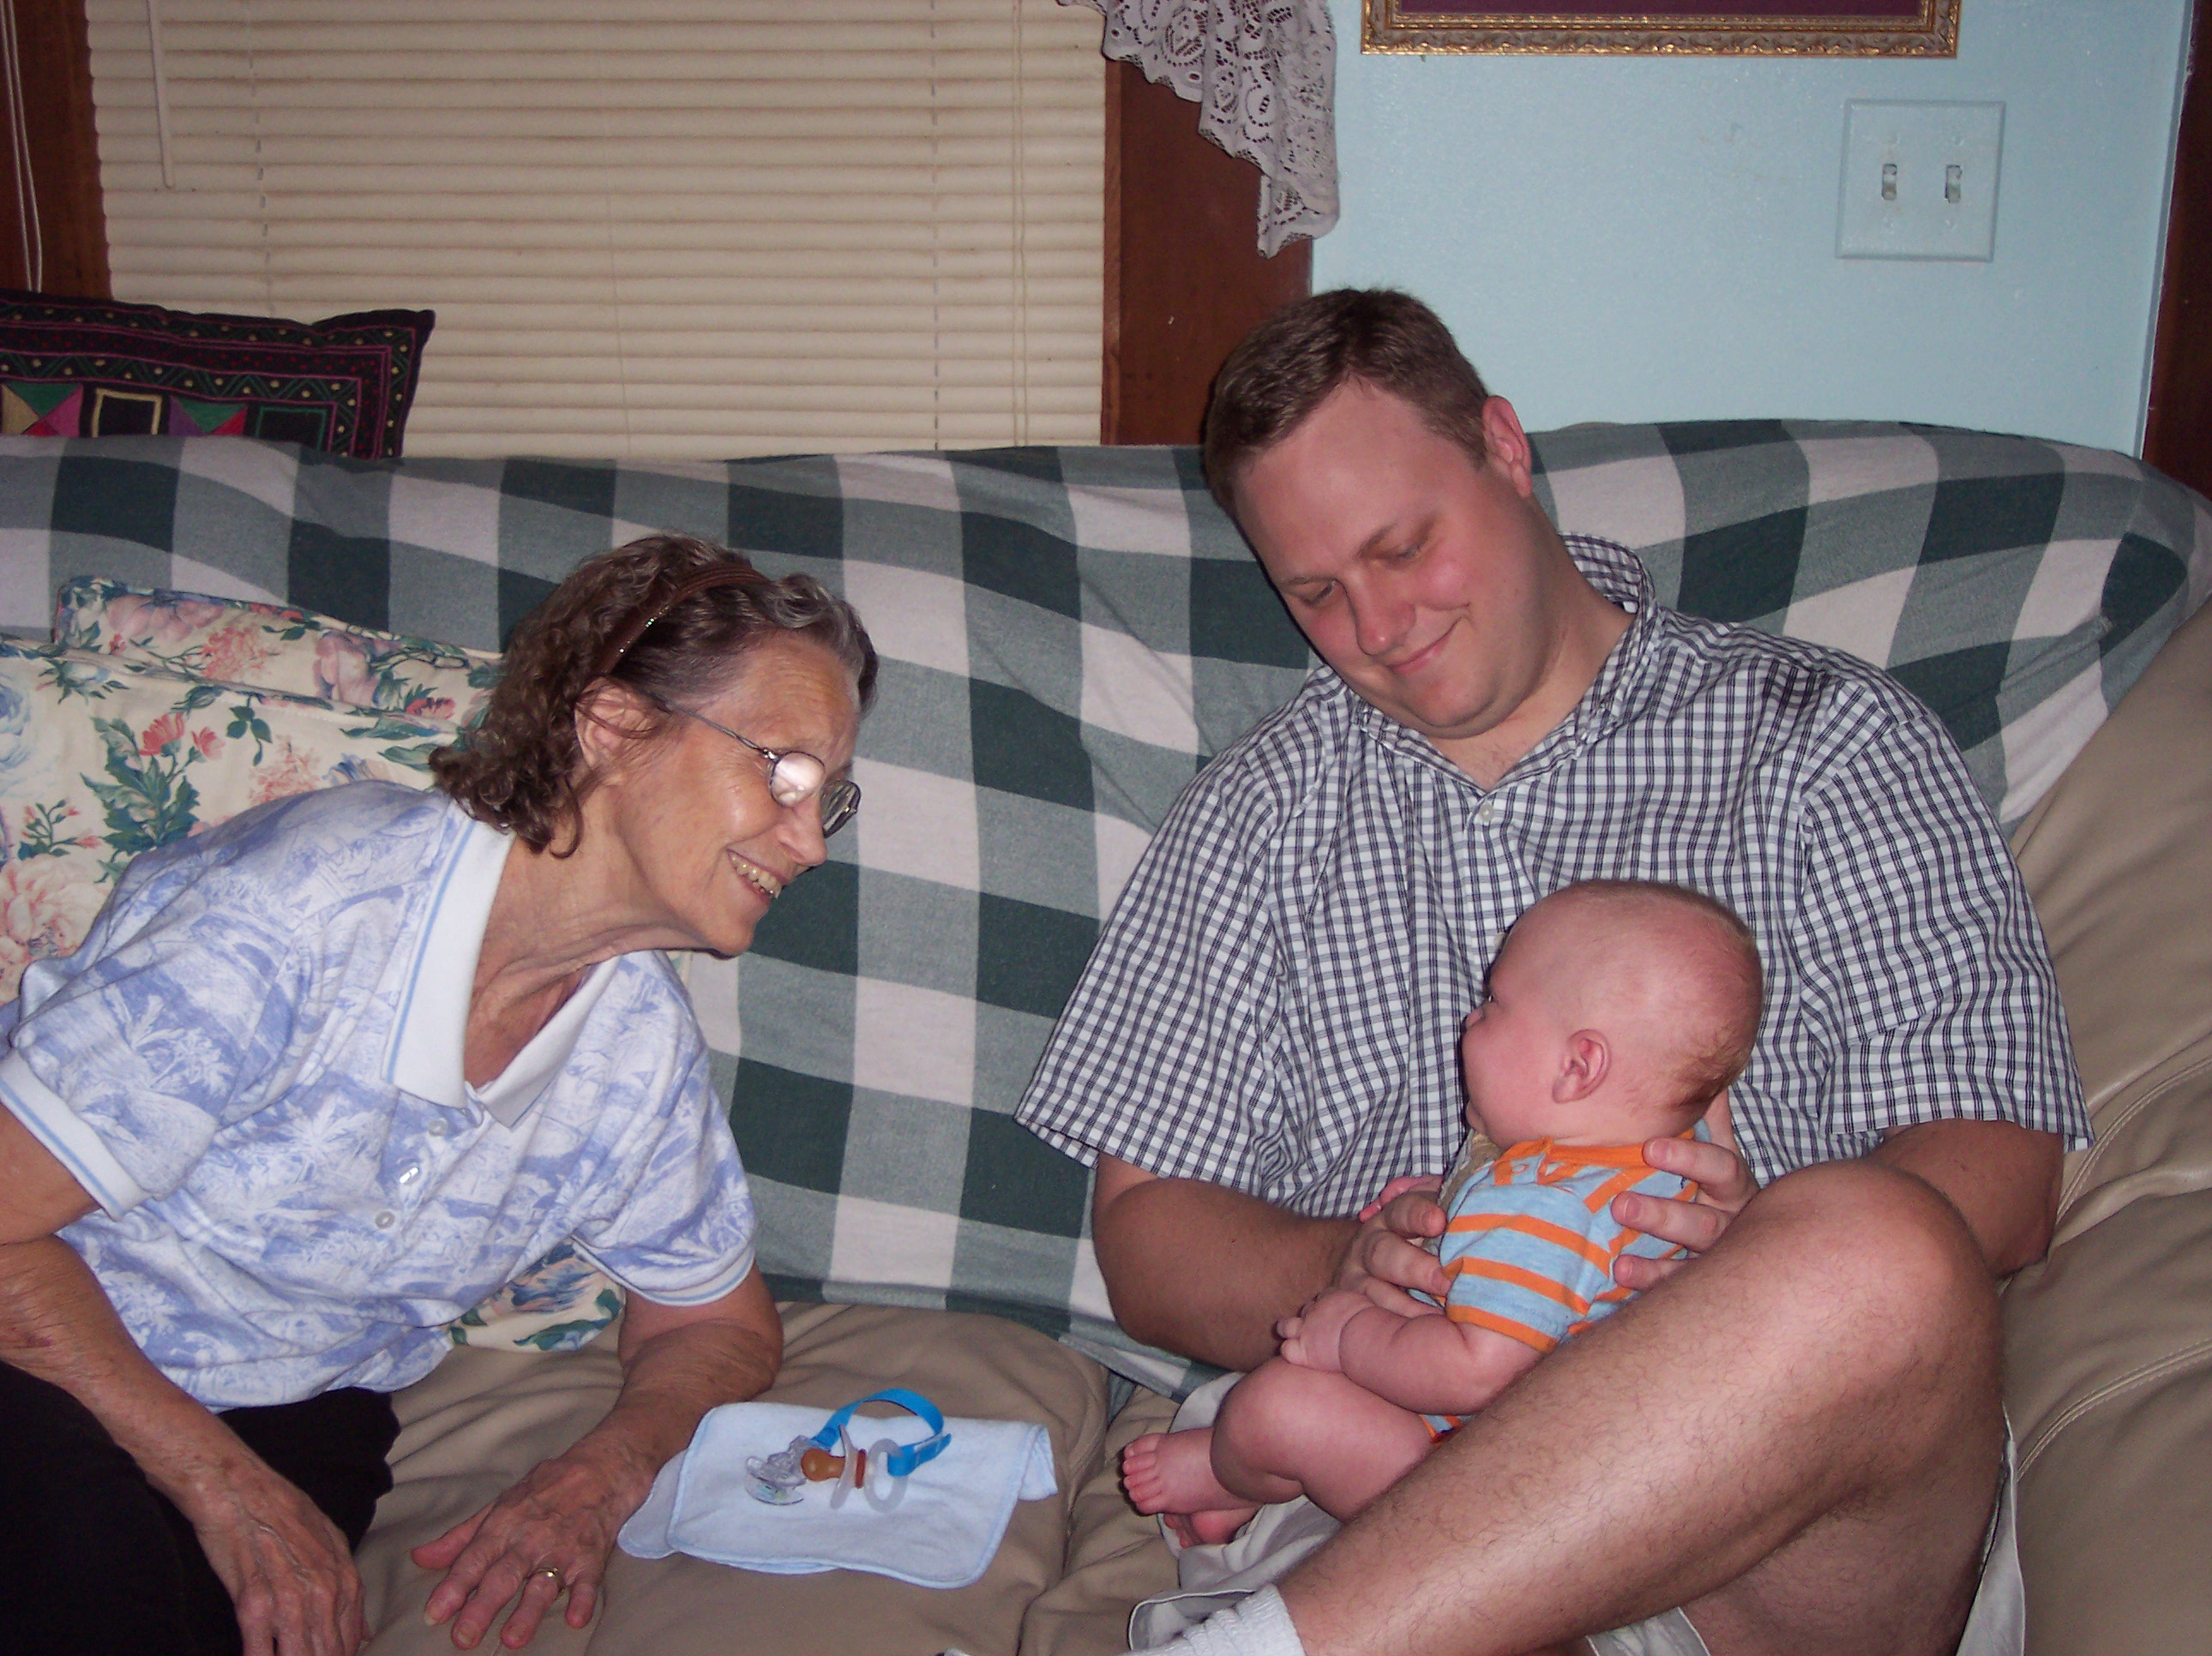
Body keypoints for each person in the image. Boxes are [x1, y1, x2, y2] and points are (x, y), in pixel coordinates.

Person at [1017, 290, 2088, 1656]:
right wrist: (1348, 1259)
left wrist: (1753, 1254)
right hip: (1386, 1482)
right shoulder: (1257, 817)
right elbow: (1147, 1233)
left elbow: (2005, 1167)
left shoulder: (1826, 746)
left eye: (1405, 547)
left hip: (1774, 1496)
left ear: (1506, 450)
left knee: (1873, 1256)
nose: (1380, 623)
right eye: (1317, 593)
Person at [0, 534, 875, 1656]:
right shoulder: (305, 909)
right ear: (613, 729)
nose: (809, 843)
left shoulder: (634, 1045)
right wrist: (223, 1488)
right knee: (89, 1580)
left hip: (301, 1411)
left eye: (829, 800)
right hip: (55, 1343)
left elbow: (717, 1324)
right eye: (784, 773)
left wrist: (597, 1479)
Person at [1121, 880, 1762, 1548]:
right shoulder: (1654, 1167)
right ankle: (1246, 1490)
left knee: (1277, 1406)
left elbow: (1477, 1370)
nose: (1470, 1020)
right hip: (1554, 1465)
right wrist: (1457, 1202)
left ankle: (1226, 1474)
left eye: (1494, 1004)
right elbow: (1556, 1276)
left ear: (1578, 1066)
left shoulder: (1544, 1208)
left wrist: (1349, 1334)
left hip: (1490, 1499)